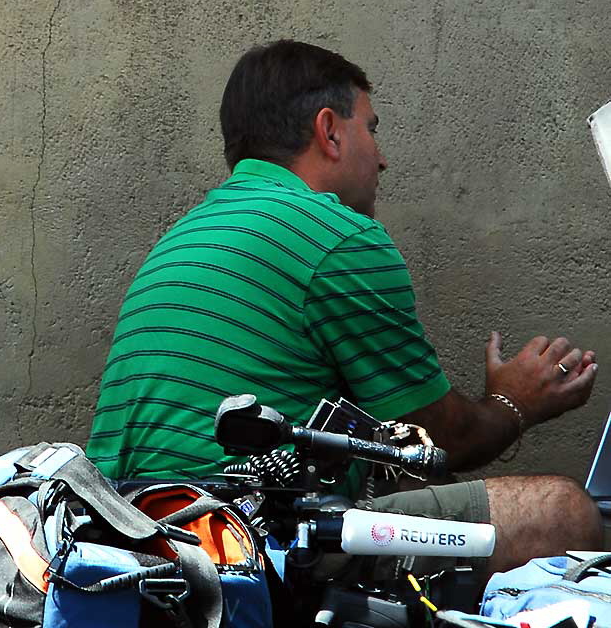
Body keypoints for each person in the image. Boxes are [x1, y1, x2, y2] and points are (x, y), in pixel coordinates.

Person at [87, 39, 602, 577]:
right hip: (239, 547)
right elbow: (444, 440)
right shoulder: (338, 237)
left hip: (120, 543)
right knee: (564, 513)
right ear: (329, 131)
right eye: (371, 129)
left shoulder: (183, 236)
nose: (381, 157)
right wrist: (514, 402)